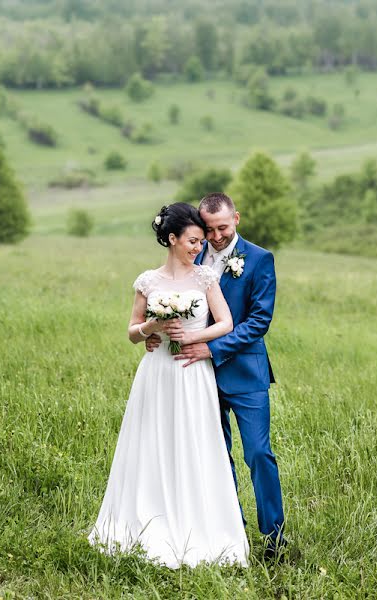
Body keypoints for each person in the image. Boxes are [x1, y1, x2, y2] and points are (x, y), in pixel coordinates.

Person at [88, 202, 250, 569]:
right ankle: (148, 518)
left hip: (192, 371)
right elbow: (132, 331)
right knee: (152, 442)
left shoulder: (205, 278)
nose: (198, 247)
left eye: (201, 241)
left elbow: (225, 323)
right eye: (192, 241)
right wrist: (153, 328)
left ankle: (197, 524)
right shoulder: (149, 281)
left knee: (194, 441)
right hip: (156, 372)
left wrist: (194, 337)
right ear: (172, 238)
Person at [146, 192, 287, 561]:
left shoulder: (259, 259)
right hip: (198, 377)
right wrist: (157, 335)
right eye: (208, 229)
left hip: (244, 373)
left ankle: (274, 538)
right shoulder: (194, 254)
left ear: (236, 219)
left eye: (222, 228)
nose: (215, 236)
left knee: (258, 453)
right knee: (215, 456)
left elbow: (259, 321)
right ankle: (230, 533)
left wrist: (213, 348)